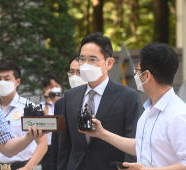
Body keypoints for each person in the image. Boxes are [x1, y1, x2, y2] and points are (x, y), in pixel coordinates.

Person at [79, 43, 186, 170]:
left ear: (147, 75)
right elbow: (142, 146)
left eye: (137, 71)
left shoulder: (179, 115)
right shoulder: (149, 111)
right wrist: (101, 133)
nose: (136, 75)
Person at [57, 32, 142, 170]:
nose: (85, 64)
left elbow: (134, 143)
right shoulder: (70, 96)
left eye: (92, 59)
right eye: (82, 59)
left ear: (109, 63)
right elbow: (65, 146)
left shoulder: (128, 96)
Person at [0, 62, 48, 170]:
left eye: (7, 79)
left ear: (17, 82)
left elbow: (42, 144)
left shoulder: (30, 108)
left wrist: (28, 167)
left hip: (21, 166)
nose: (2, 82)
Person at [51, 54, 87, 170]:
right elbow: (57, 143)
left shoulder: (98, 100)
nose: (74, 76)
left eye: (79, 72)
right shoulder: (60, 104)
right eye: (71, 72)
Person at [40, 74, 62, 170]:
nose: (54, 89)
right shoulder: (41, 106)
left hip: (63, 145)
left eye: (56, 86)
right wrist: (48, 100)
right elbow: (43, 123)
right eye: (51, 87)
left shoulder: (66, 103)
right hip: (48, 147)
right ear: (45, 89)